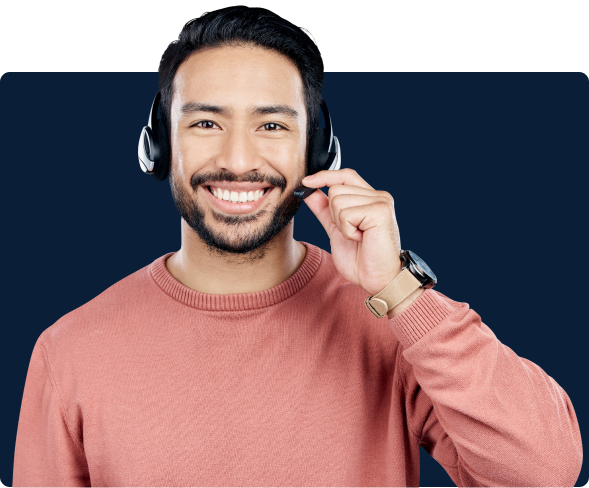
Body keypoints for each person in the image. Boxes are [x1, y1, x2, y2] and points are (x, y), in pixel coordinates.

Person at [13, 6, 582, 487]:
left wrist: (401, 293)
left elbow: (547, 471)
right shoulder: (68, 353)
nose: (238, 160)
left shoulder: (389, 324)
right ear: (159, 146)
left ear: (319, 151)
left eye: (273, 126)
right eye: (206, 124)